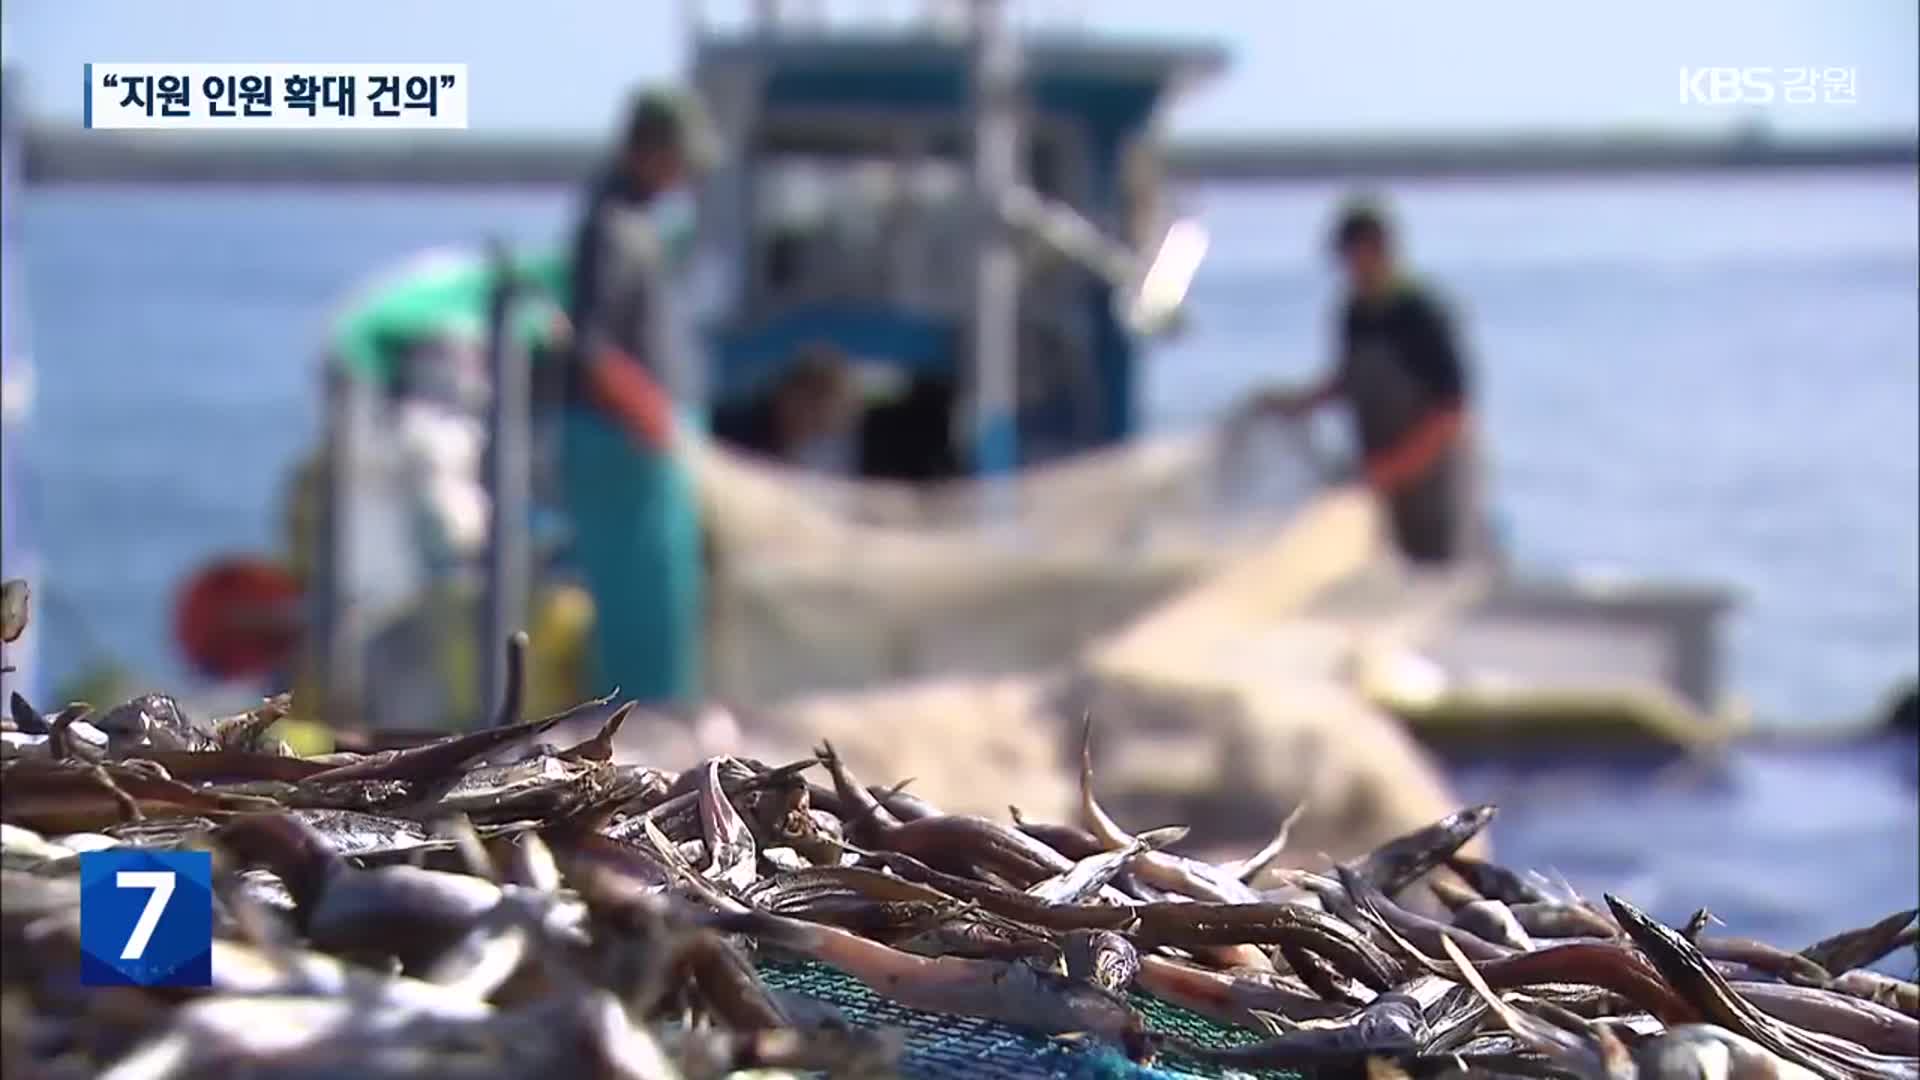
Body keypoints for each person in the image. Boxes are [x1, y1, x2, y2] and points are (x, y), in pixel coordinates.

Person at [559, 88, 717, 705]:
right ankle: (638, 738)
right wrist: (650, 413)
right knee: (640, 613)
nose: (683, 177)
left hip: (641, 441)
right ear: (649, 152)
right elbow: (592, 349)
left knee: (666, 607)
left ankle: (659, 725)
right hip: (619, 444)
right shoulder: (611, 227)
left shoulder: (637, 222)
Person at [1242, 197, 1485, 566]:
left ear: (1380, 250)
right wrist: (1298, 404)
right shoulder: (1353, 314)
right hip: (1381, 477)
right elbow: (1350, 380)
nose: (1350, 268)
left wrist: (1391, 468)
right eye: (1344, 258)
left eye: (1356, 255)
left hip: (1434, 481)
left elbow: (1450, 412)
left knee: (1436, 571)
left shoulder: (1421, 315)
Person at [710, 345, 859, 468]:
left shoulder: (831, 447)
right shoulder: (734, 431)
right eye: (813, 403)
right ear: (788, 395)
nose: (823, 415)